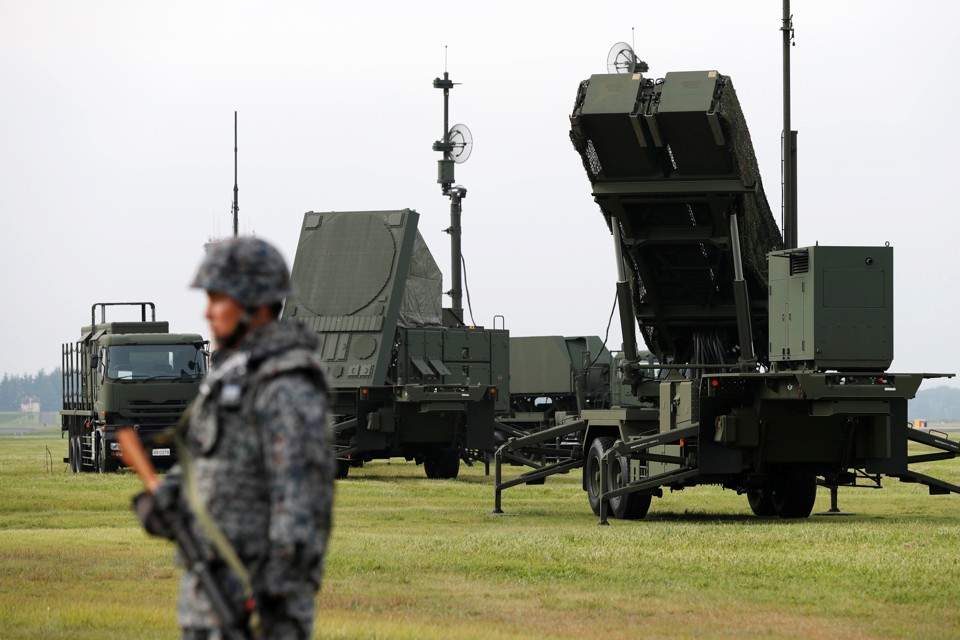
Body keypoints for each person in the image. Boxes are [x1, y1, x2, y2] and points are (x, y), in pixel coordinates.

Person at [134, 236, 334, 639]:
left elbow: (302, 507)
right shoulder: (230, 378)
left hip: (256, 615)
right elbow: (207, 463)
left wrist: (270, 603)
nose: (208, 312)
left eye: (219, 299)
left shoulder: (285, 386)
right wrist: (172, 498)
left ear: (256, 306)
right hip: (207, 606)